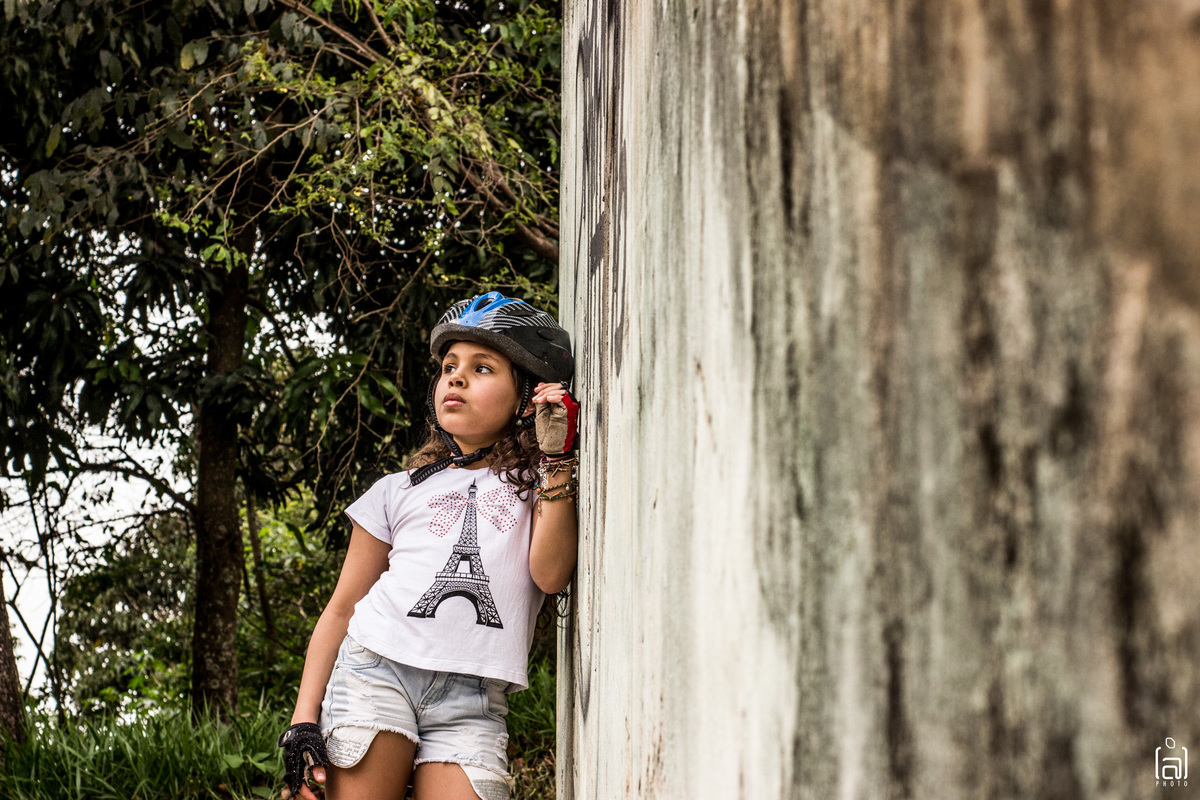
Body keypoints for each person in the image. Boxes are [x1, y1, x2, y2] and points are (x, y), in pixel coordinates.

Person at [277, 291, 580, 800]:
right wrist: (303, 722)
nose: (456, 378)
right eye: (449, 367)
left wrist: (556, 460)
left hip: (473, 701)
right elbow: (342, 608)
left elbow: (550, 576)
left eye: (482, 368)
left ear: (526, 395)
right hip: (375, 673)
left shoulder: (538, 484)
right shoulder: (395, 490)